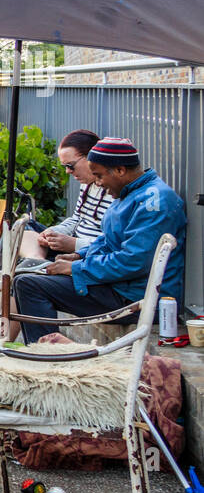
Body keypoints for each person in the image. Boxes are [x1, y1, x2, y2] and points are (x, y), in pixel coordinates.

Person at [12, 138, 187, 344]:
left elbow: (134, 261)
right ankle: (44, 350)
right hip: (117, 286)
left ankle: (47, 358)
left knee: (29, 285)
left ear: (120, 170)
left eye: (99, 175)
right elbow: (107, 239)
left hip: (135, 299)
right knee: (25, 277)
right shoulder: (129, 193)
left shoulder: (154, 202)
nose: (97, 183)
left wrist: (76, 268)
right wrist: (79, 255)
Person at [37, 129, 112, 254]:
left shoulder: (116, 190)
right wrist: (53, 232)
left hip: (90, 253)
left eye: (70, 165)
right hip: (75, 246)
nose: (68, 171)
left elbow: (113, 244)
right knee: (26, 233)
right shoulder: (86, 183)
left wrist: (74, 244)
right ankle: (36, 261)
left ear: (91, 157)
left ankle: (36, 265)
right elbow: (77, 219)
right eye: (65, 166)